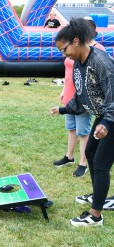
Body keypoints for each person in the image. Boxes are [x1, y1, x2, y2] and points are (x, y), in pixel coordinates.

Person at [51, 18, 114, 226]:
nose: (64, 54)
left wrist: (106, 122)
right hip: (103, 117)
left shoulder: (101, 61)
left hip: (111, 117)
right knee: (91, 154)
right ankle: (100, 197)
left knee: (101, 162)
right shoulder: (78, 64)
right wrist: (63, 109)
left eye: (64, 49)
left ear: (76, 41)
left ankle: (95, 216)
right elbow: (81, 96)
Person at [53, 18, 105, 178]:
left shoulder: (96, 52)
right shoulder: (72, 52)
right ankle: (69, 157)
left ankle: (83, 163)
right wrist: (64, 90)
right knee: (71, 129)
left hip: (83, 99)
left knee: (83, 131)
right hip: (70, 96)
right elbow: (69, 73)